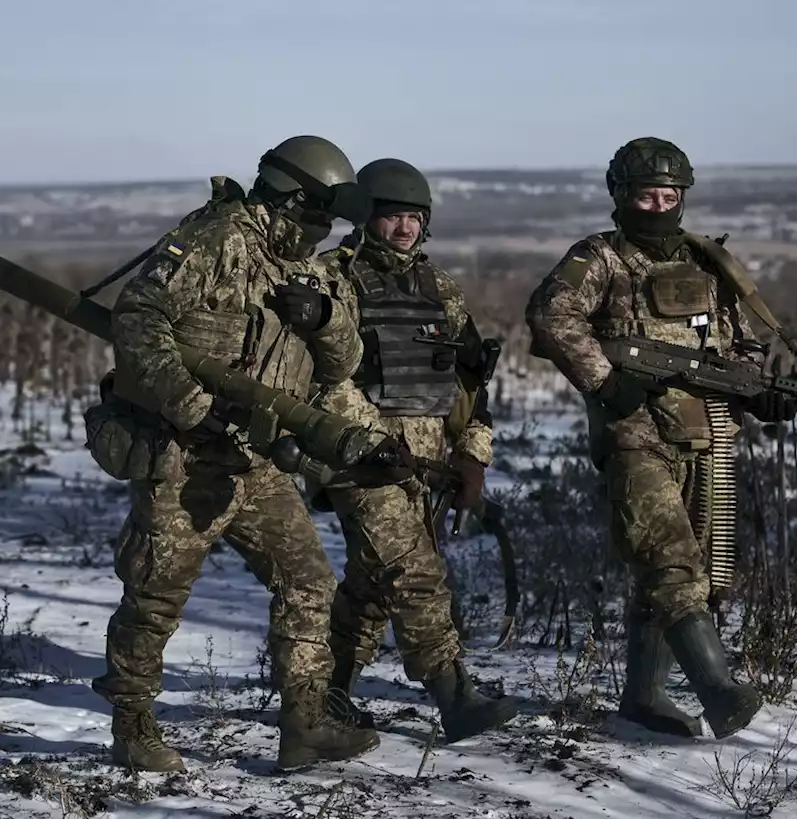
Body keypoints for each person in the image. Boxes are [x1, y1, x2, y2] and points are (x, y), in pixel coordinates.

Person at [89, 135, 383, 772]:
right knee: (155, 595)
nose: (321, 232)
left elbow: (343, 364)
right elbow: (138, 318)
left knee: (309, 584)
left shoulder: (302, 263)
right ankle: (132, 724)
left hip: (258, 463)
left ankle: (305, 723)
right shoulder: (216, 240)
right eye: (316, 216)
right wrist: (194, 404)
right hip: (185, 457)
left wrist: (325, 316)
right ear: (290, 198)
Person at [525, 137, 795, 739]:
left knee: (693, 569)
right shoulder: (602, 258)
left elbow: (737, 344)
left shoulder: (706, 263)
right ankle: (719, 692)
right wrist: (603, 380)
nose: (660, 204)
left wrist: (757, 390)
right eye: (647, 195)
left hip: (706, 431)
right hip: (635, 435)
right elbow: (551, 314)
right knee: (672, 565)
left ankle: (643, 700)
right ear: (621, 197)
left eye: (670, 195)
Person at [310, 157, 518, 742]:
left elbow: (471, 384)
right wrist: (372, 441)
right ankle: (455, 695)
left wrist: (473, 455)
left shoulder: (436, 285)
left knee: (375, 584)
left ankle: (322, 688)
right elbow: (324, 378)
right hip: (360, 458)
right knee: (413, 573)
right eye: (392, 217)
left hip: (426, 463)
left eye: (414, 217)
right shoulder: (332, 278)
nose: (404, 228)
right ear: (365, 218)